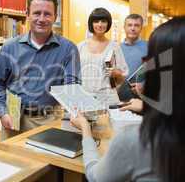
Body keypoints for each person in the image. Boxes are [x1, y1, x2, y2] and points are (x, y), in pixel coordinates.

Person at [71, 16, 185, 182]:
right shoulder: (80, 46)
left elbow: (96, 177)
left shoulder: (136, 140)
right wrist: (148, 105)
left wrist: (85, 129)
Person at [0, 0, 81, 138]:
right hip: (13, 118)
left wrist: (74, 113)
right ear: (27, 14)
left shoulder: (68, 49)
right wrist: (2, 112)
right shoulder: (9, 47)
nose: (41, 19)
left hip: (50, 119)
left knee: (47, 161)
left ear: (55, 17)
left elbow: (72, 85)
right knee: (14, 160)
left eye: (47, 14)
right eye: (37, 13)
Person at [78, 7, 128, 106]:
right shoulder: (80, 46)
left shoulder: (114, 47)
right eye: (96, 21)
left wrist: (116, 73)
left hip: (108, 99)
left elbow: (122, 77)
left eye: (103, 21)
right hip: (84, 98)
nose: (100, 24)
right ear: (91, 24)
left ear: (108, 24)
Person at [121, 14, 148, 94]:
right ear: (124, 27)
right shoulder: (116, 48)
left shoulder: (149, 47)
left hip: (140, 98)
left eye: (136, 25)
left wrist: (144, 85)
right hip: (118, 97)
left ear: (141, 28)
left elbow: (155, 73)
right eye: (129, 25)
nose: (132, 28)